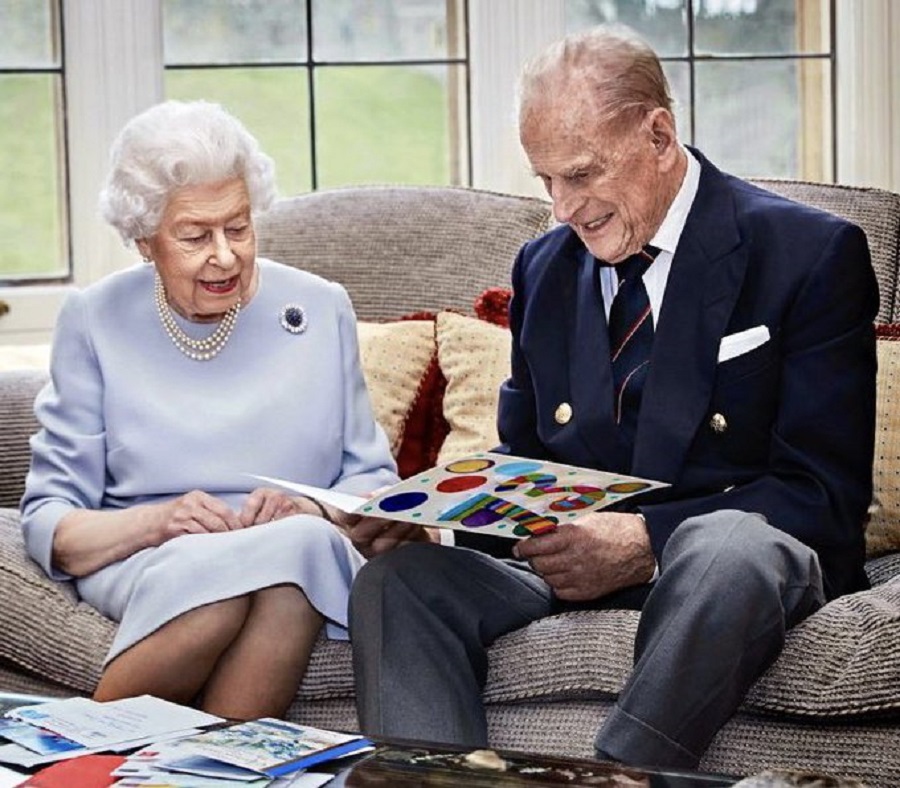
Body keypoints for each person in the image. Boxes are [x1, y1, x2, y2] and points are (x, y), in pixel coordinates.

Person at [348, 25, 878, 769]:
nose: (564, 208)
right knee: (399, 583)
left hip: (719, 577)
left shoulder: (809, 254)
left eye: (582, 174)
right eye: (546, 181)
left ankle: (614, 779)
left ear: (658, 134)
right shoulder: (544, 267)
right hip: (567, 570)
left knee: (729, 545)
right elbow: (526, 460)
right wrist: (436, 520)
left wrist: (645, 544)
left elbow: (822, 497)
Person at [20, 99, 404, 721]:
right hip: (147, 554)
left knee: (293, 558)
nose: (224, 255)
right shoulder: (94, 319)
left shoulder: (320, 307)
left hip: (294, 546)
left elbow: (372, 482)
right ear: (145, 242)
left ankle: (77, 756)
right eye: (195, 236)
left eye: (239, 227)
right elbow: (52, 520)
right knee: (241, 584)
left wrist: (308, 506)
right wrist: (159, 522)